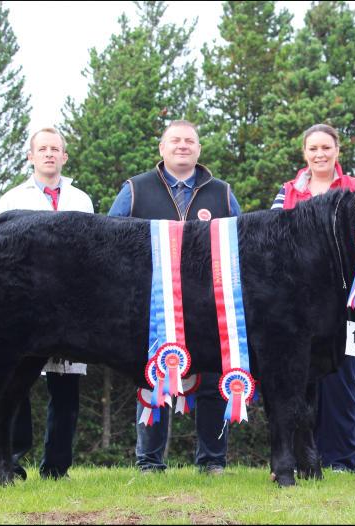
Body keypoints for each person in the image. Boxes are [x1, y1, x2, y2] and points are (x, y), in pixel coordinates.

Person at [108, 120, 240, 475]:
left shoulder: (223, 192)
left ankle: (212, 461)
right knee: (154, 378)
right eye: (175, 140)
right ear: (162, 148)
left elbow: (241, 246)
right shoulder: (134, 189)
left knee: (214, 380)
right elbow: (108, 240)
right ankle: (150, 462)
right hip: (152, 304)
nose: (183, 146)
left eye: (190, 141)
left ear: (199, 149)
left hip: (210, 307)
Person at [0, 127, 95, 480]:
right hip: (24, 305)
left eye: (56, 149)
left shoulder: (82, 201)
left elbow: (89, 256)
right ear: (31, 156)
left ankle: (57, 467)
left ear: (64, 157)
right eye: (43, 149)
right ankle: (12, 460)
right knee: (17, 386)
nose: (50, 154)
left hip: (68, 308)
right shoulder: (9, 200)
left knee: (65, 391)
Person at [271, 124, 355, 473]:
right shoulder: (287, 191)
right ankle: (298, 457)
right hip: (299, 305)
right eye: (313, 148)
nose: (320, 154)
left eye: (326, 147)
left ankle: (341, 459)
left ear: (337, 150)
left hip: (347, 303)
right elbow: (275, 238)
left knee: (343, 380)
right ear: (304, 153)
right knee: (299, 380)